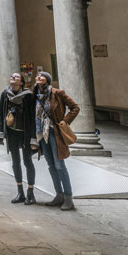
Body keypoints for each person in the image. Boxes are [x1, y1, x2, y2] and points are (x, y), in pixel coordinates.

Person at [34, 71, 79, 211]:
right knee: (51, 165)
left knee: (59, 165)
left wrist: (65, 121)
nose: (39, 77)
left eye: (42, 76)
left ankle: (68, 198)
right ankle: (58, 195)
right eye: (37, 75)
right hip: (42, 133)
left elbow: (75, 107)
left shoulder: (57, 93)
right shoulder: (35, 95)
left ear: (47, 80)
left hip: (54, 132)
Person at [0, 71, 37, 205]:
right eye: (12, 76)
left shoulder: (28, 96)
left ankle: (30, 192)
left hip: (25, 133)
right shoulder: (5, 94)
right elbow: (1, 114)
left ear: (21, 82)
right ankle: (20, 192)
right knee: (15, 161)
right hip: (12, 132)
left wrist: (34, 137)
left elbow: (32, 116)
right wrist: (0, 133)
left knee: (27, 161)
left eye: (17, 77)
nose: (13, 78)